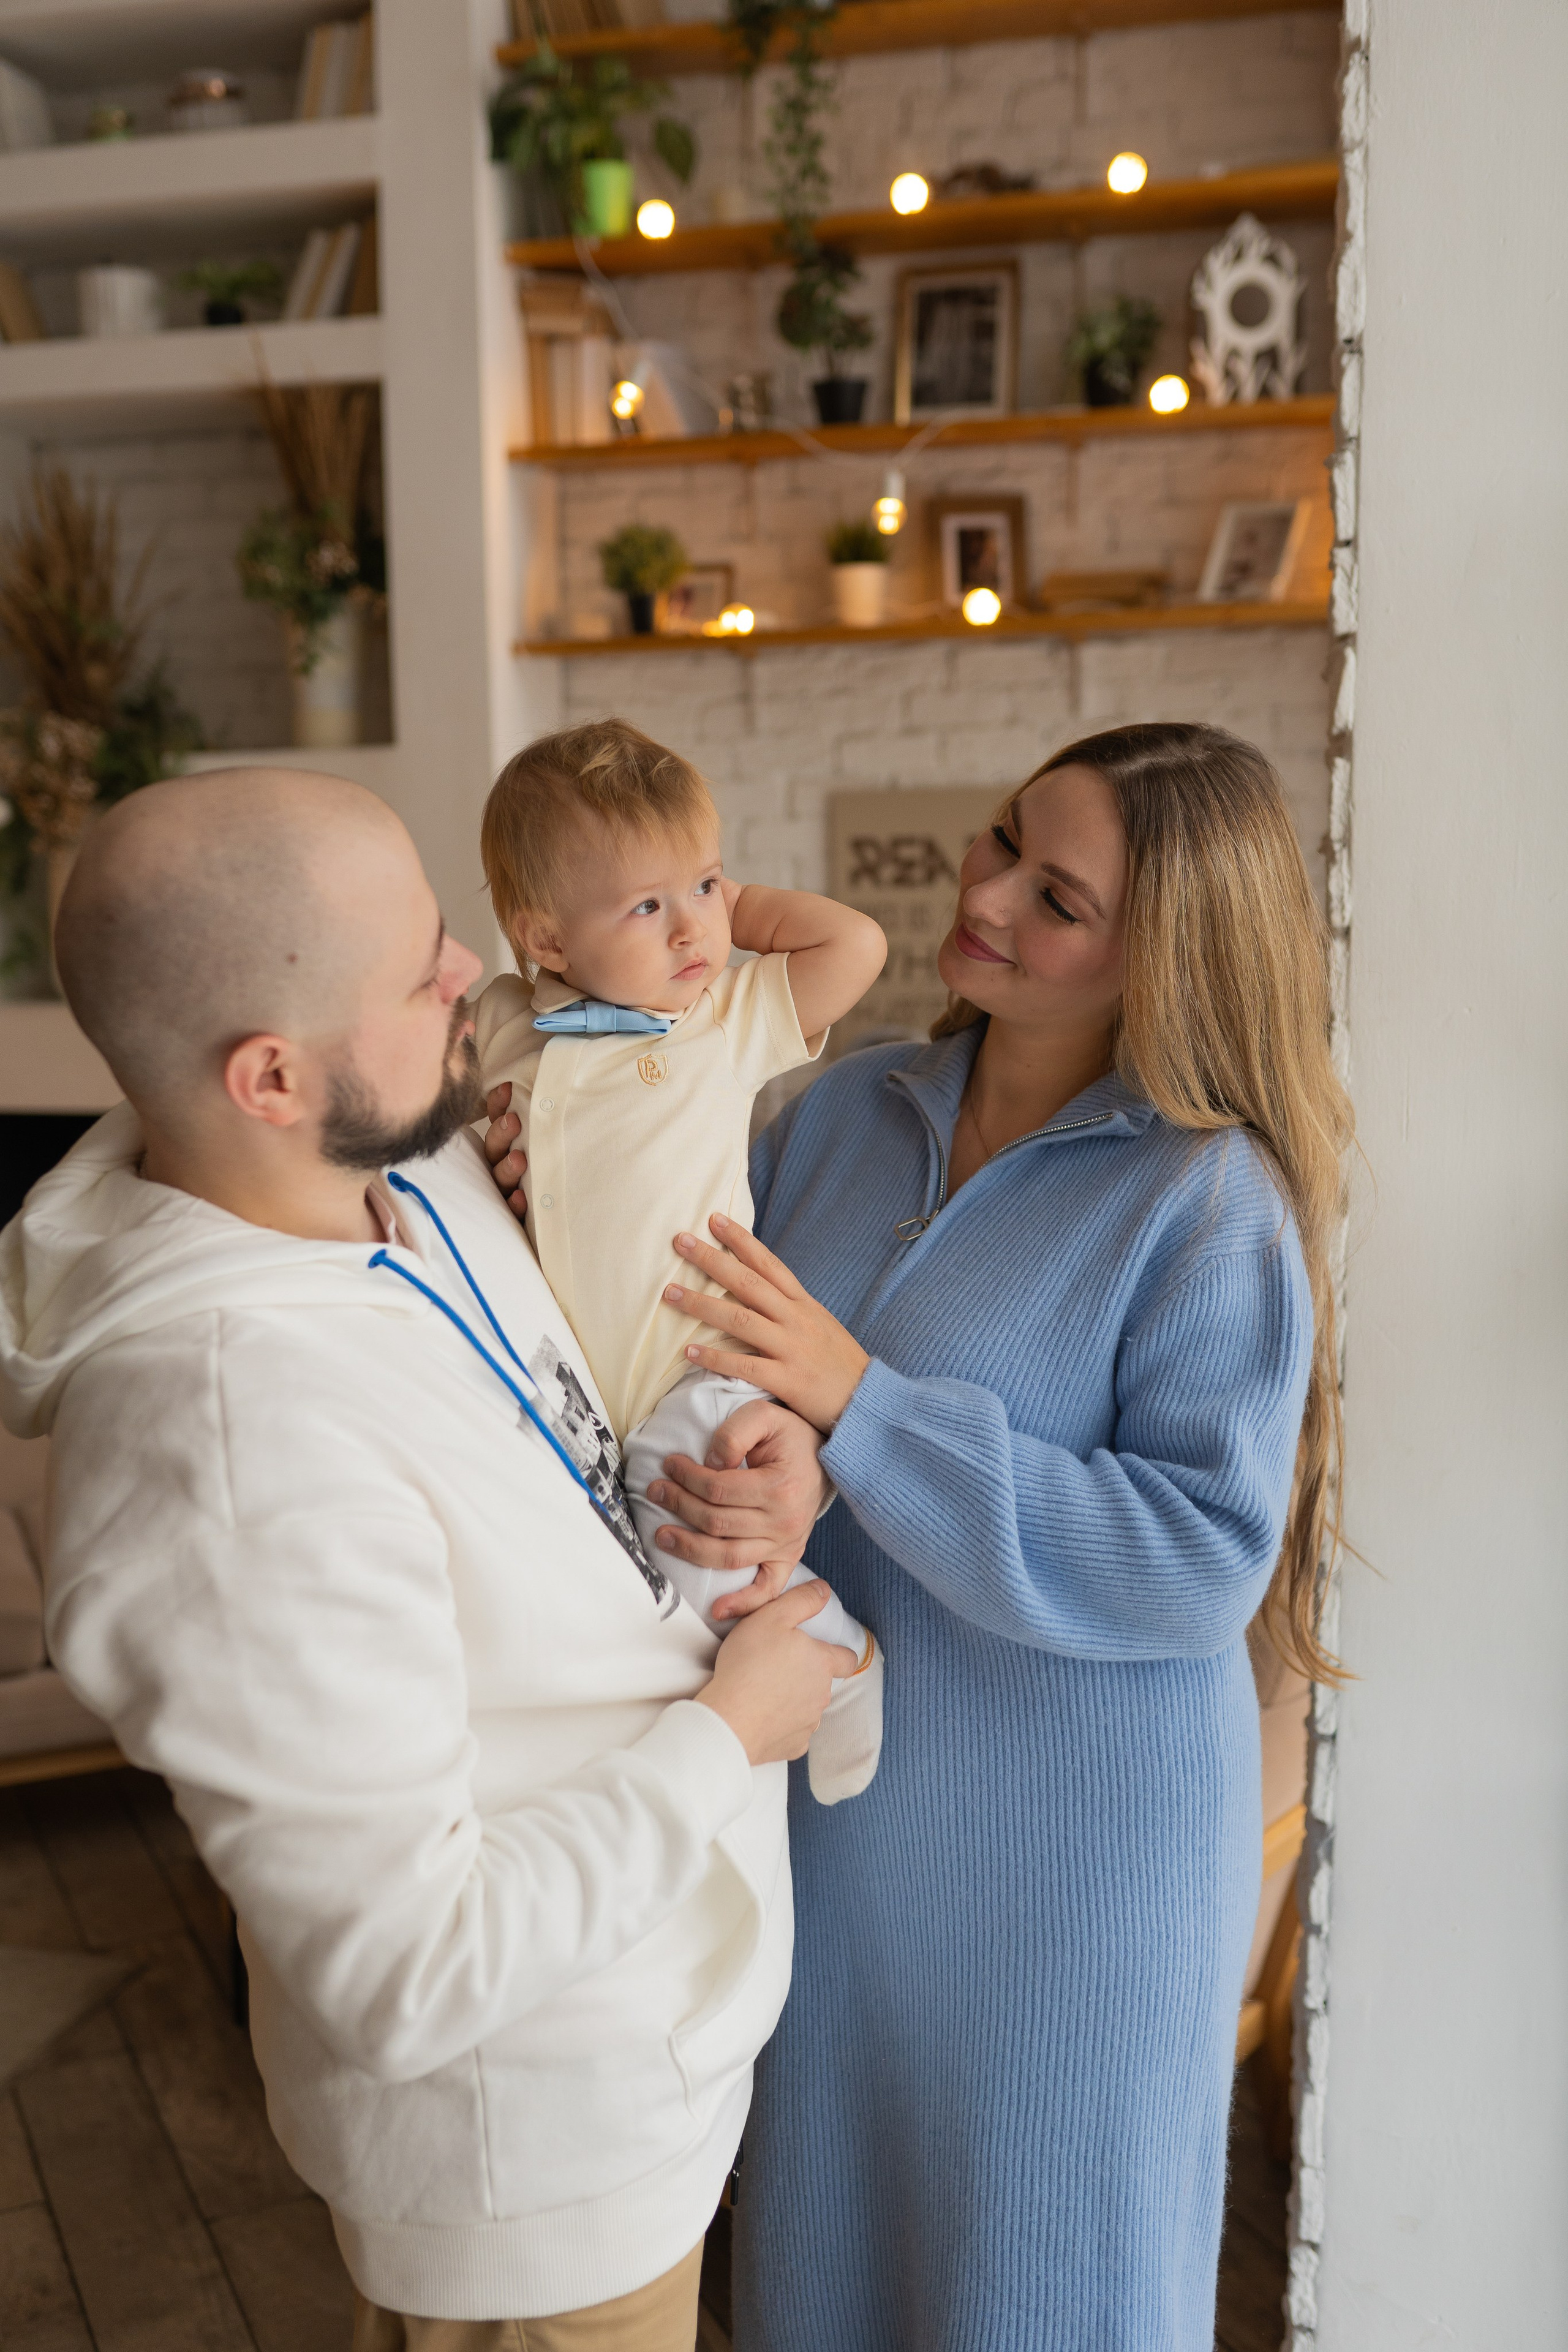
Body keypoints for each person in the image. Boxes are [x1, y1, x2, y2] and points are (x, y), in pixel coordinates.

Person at [486, 719, 1355, 2351]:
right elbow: (666, 1327)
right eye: (1005, 836)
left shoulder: (1205, 1201)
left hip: (1080, 1859)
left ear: (1159, 955)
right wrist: (544, 1163)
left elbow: (1197, 1558)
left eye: (1062, 895)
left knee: (1047, 2289)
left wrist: (863, 1408)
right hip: (837, 1829)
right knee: (826, 2266)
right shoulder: (834, 1110)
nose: (994, 892)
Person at [0, 767, 856, 2352]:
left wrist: (751, 1467)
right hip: (538, 2162)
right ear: (268, 1074)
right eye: (422, 968)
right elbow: (409, 1969)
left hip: (647, 2049)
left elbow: (561, 1435)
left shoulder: (405, 1165)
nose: (475, 975)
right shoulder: (228, 1441)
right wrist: (734, 1729)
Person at [474, 720, 888, 1804]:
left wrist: (722, 902)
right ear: (547, 939)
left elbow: (855, 947)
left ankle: (836, 1657)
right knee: (623, 1585)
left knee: (705, 1554)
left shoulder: (722, 1019)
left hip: (691, 1357)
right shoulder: (507, 1024)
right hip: (571, 1381)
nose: (690, 926)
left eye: (702, 884)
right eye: (646, 907)